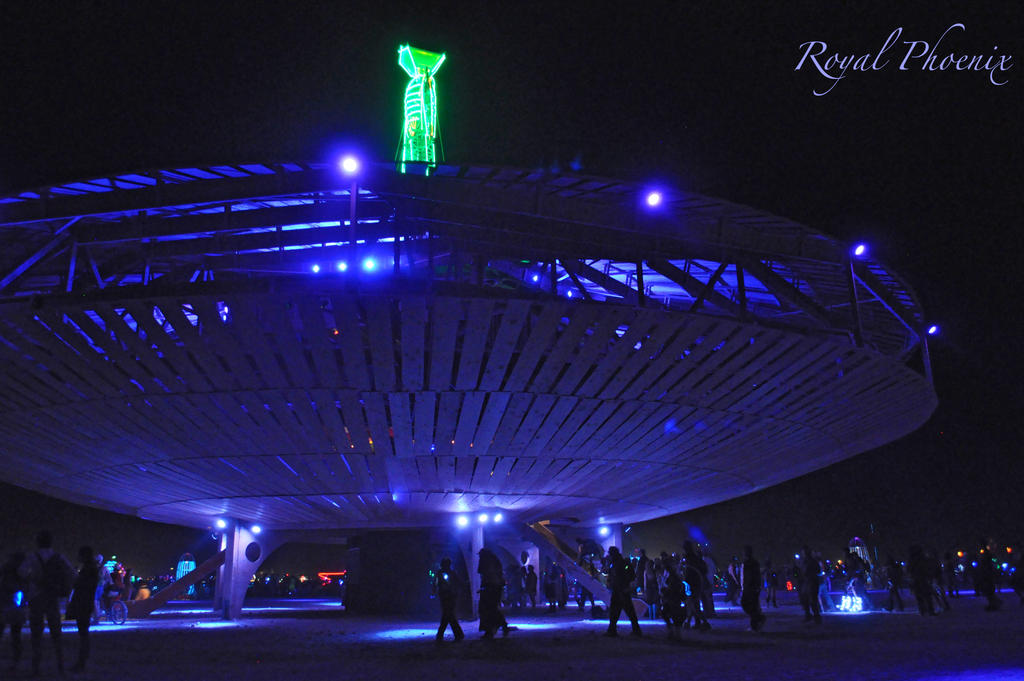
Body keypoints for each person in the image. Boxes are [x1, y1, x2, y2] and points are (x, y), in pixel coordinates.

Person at [19, 531, 75, 676]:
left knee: (36, 633)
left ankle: (36, 667)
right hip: (52, 596)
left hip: (36, 596)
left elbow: (22, 572)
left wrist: (35, 579)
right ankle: (60, 665)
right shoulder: (58, 557)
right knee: (56, 632)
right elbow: (71, 572)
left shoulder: (32, 556)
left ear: (37, 542)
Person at [68, 546, 101, 671]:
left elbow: (79, 585)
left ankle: (82, 661)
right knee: (84, 632)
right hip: (86, 603)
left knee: (83, 633)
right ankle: (82, 660)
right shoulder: (92, 569)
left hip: (83, 603)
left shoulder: (88, 570)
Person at [603, 546, 641, 637]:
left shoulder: (622, 563)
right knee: (617, 611)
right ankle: (613, 629)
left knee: (626, 610)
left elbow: (630, 575)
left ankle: (634, 630)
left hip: (622, 590)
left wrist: (626, 586)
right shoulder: (617, 563)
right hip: (618, 590)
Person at [477, 548, 512, 638]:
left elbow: (486, 574)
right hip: (495, 586)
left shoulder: (487, 562)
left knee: (488, 609)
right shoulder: (494, 560)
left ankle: (490, 630)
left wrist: (485, 586)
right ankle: (501, 626)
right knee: (492, 608)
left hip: (491, 587)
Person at [1, 551, 27, 672]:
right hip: (16, 606)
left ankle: (14, 660)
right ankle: (16, 660)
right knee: (16, 634)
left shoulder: (6, 570)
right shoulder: (23, 573)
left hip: (4, 604)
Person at [434, 557, 464, 642]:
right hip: (449, 596)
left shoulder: (442, 573)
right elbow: (458, 582)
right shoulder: (450, 573)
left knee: (447, 615)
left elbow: (435, 584)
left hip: (447, 596)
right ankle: (458, 634)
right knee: (449, 615)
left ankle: (441, 635)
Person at [740, 545, 766, 631]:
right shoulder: (753, 562)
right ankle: (755, 623)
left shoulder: (749, 563)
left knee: (747, 604)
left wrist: (747, 586)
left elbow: (750, 576)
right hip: (752, 587)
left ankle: (758, 620)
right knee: (752, 606)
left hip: (750, 587)